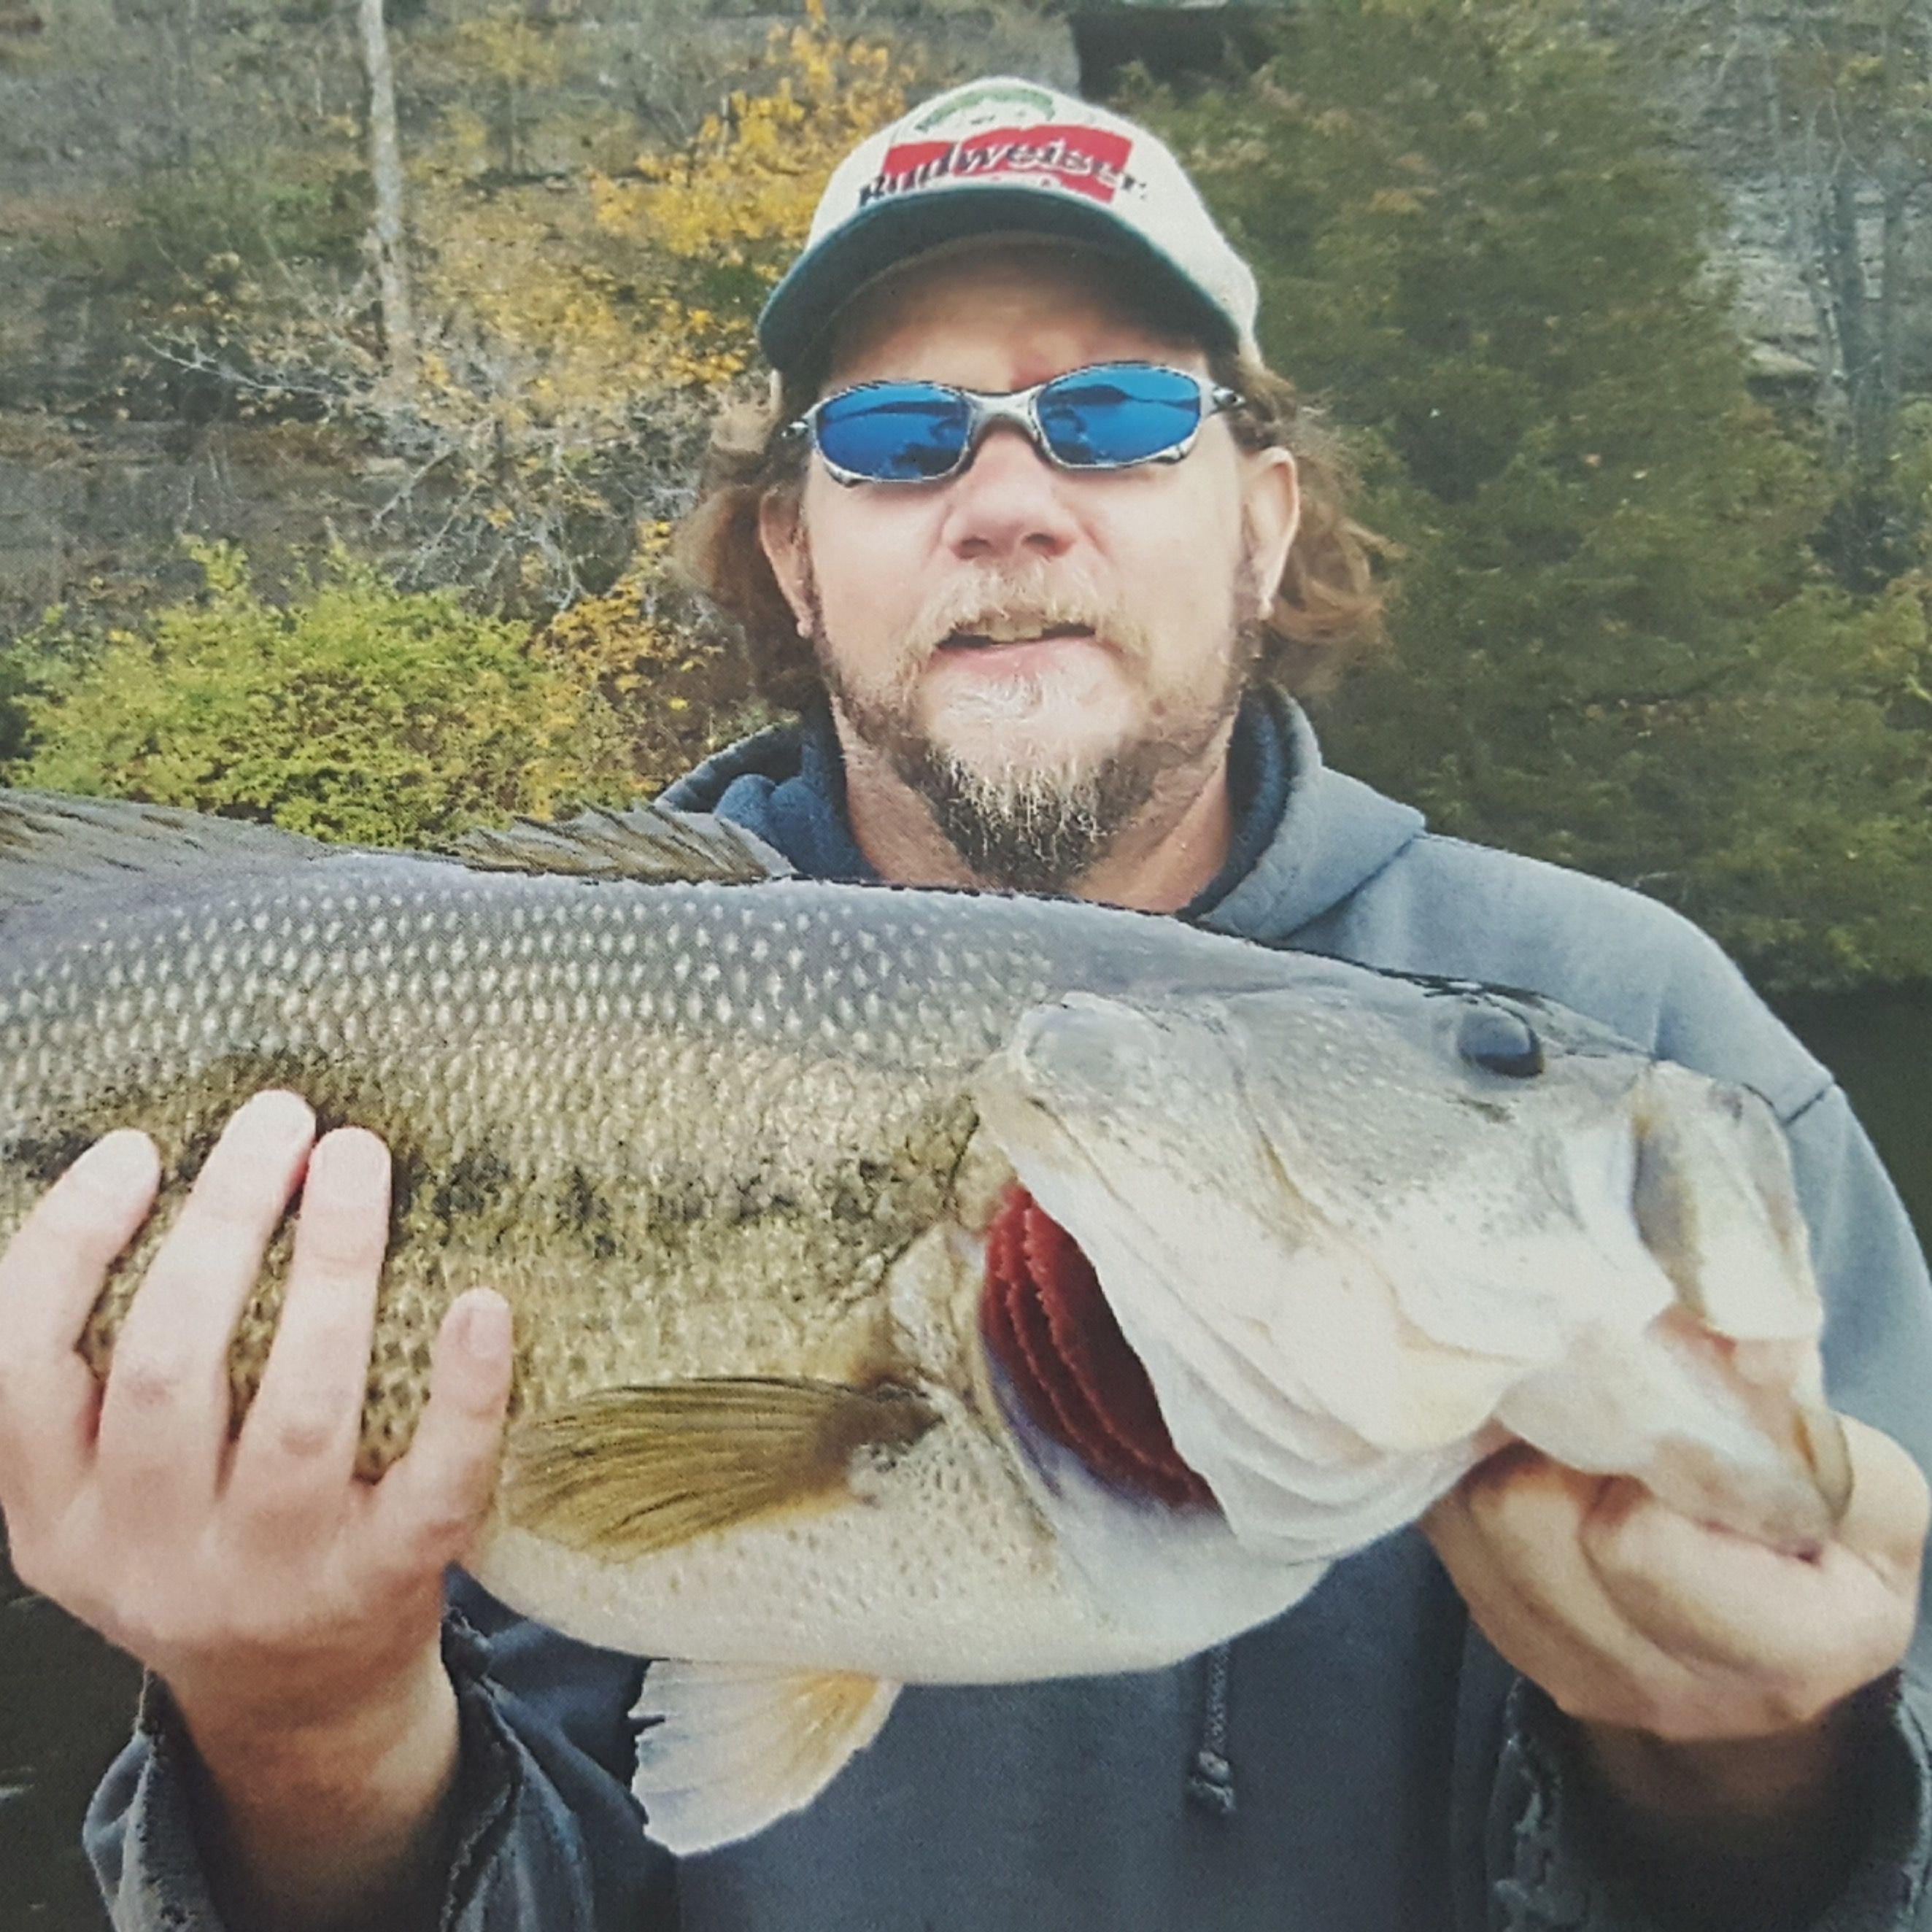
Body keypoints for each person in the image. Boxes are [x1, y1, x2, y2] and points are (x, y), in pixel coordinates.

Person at [2, 76, 1929, 1932]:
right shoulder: (540, 1004)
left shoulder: (1644, 1028)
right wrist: (302, 1730)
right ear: (795, 553)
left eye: (1111, 418)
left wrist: (1756, 1778)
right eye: (902, 443)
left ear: (1261, 518)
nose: (1011, 505)